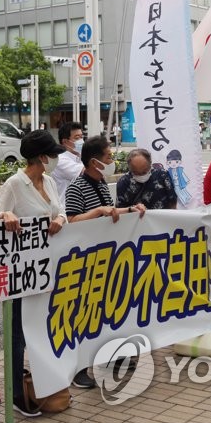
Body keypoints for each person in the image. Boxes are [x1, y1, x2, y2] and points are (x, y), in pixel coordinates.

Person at [0, 129, 68, 417]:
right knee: (17, 334)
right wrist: (5, 216)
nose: (57, 159)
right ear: (42, 157)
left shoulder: (49, 180)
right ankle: (16, 395)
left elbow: (62, 212)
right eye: (54, 154)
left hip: (47, 270)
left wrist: (59, 218)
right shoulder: (14, 184)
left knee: (42, 328)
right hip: (20, 272)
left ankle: (42, 384)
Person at [64, 136, 145, 389]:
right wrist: (99, 212)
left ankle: (112, 357)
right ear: (94, 161)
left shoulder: (101, 184)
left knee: (106, 312)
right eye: (109, 157)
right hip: (84, 260)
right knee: (84, 315)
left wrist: (130, 210)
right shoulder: (77, 187)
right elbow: (72, 221)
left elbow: (109, 213)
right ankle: (78, 370)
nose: (112, 161)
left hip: (104, 258)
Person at [51, 121, 84, 202]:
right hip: (66, 210)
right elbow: (89, 172)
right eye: (77, 138)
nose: (81, 141)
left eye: (81, 137)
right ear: (65, 142)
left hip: (79, 207)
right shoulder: (61, 160)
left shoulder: (79, 157)